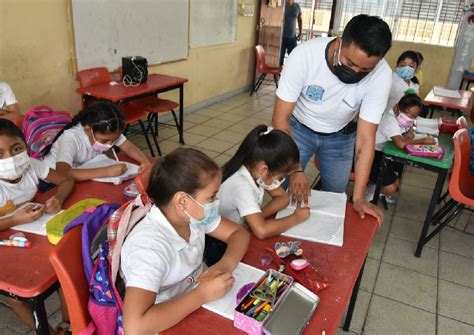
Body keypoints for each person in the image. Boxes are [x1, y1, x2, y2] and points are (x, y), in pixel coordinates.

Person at [272, 14, 393, 225]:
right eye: (350, 62)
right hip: (296, 130)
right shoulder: (304, 56)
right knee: (281, 189)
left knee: (335, 197)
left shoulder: (382, 75)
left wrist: (359, 197)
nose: (355, 72)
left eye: (365, 70)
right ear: (338, 43)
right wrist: (296, 169)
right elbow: (280, 120)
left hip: (341, 137)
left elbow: (365, 139)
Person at [120, 148, 249, 333]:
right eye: (212, 196)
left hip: (197, 301)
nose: (216, 201)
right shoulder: (149, 247)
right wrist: (202, 295)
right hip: (166, 321)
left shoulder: (192, 216)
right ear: (182, 201)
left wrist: (225, 265)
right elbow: (135, 327)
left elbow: (239, 234)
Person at [0, 119, 74, 334]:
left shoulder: (31, 165)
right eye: (0, 154)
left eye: (16, 149)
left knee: (63, 273)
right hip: (8, 243)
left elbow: (67, 181)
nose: (10, 159)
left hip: (33, 237)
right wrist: (13, 220)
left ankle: (67, 326)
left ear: (26, 146)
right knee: (19, 296)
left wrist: (58, 199)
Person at [42, 102, 150, 181]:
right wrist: (107, 171)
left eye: (113, 141)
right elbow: (62, 174)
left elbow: (128, 146)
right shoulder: (71, 138)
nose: (109, 145)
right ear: (88, 129)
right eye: (105, 140)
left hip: (83, 173)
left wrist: (144, 161)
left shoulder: (107, 132)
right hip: (53, 182)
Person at [367, 94, 435, 201]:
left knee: (396, 182)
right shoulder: (390, 120)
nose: (410, 118)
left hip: (383, 154)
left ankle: (374, 190)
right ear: (398, 107)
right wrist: (423, 141)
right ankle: (368, 195)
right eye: (408, 113)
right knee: (391, 187)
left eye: (414, 116)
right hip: (371, 156)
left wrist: (409, 132)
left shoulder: (399, 117)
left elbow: (406, 129)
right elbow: (400, 144)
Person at [280, 0, 303, 66]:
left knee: (293, 59)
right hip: (282, 38)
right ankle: (278, 75)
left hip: (292, 38)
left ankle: (291, 74)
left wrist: (300, 33)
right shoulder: (282, 5)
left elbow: (300, 20)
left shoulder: (297, 6)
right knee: (280, 59)